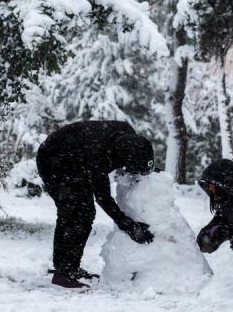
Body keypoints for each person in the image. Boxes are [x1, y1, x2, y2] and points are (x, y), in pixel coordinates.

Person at [36, 120, 157, 288]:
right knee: (74, 212)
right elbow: (103, 197)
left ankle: (71, 267)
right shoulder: (98, 155)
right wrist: (128, 226)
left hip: (76, 159)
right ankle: (63, 272)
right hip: (54, 161)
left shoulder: (128, 137)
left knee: (84, 213)